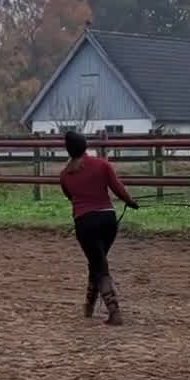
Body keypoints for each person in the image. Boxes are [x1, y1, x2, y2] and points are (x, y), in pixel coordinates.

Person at [57, 129, 140, 324]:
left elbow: (71, 197)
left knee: (98, 264)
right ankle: (89, 307)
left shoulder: (65, 175)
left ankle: (114, 311)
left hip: (85, 223)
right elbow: (117, 188)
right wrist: (130, 202)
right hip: (108, 221)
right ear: (85, 145)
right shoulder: (102, 165)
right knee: (97, 262)